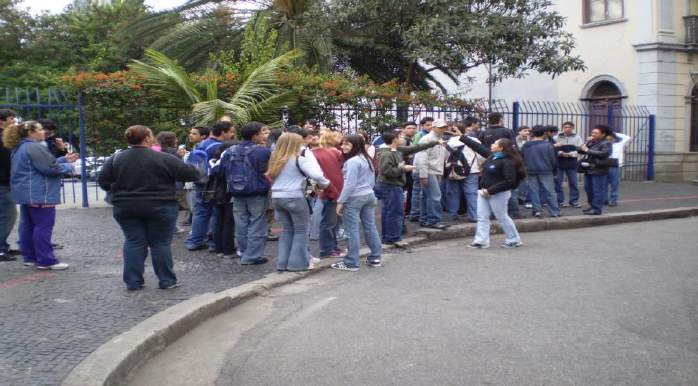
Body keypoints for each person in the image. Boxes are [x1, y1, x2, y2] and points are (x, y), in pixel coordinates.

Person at [98, 125, 201, 289]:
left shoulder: (117, 158)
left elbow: (103, 181)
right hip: (161, 206)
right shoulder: (163, 158)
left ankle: (133, 282)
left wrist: (118, 191)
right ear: (146, 138)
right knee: (160, 243)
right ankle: (167, 281)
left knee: (133, 241)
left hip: (126, 207)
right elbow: (193, 174)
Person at [4, 121, 79, 269]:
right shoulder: (34, 146)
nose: (43, 131)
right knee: (43, 226)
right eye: (39, 129)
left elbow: (39, 165)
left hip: (27, 192)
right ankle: (46, 260)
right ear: (30, 133)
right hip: (40, 193)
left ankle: (30, 257)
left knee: (28, 226)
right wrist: (69, 165)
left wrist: (63, 160)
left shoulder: (20, 146)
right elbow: (50, 169)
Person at [267, 133, 330, 271]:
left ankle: (282, 263)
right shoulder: (299, 157)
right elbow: (317, 175)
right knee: (301, 230)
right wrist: (326, 183)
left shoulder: (275, 157)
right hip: (294, 195)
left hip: (277, 197)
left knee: (287, 230)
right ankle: (296, 264)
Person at [376, 128, 440, 247]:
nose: (402, 138)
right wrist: (403, 169)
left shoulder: (396, 150)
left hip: (393, 185)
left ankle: (389, 237)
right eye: (400, 136)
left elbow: (415, 148)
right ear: (395, 139)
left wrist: (435, 142)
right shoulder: (387, 153)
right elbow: (386, 171)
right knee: (394, 212)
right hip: (390, 186)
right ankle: (393, 237)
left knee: (390, 212)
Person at [460, 136, 525, 249]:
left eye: (495, 143)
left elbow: (510, 181)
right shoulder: (493, 156)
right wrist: (462, 137)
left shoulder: (508, 161)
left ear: (501, 148)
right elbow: (478, 147)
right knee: (482, 217)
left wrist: (490, 191)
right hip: (484, 192)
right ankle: (481, 241)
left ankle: (514, 240)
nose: (492, 145)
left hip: (498, 193)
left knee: (502, 216)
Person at [220, 122, 271, 265]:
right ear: (255, 135)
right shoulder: (262, 152)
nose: (264, 135)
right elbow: (268, 170)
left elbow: (221, 169)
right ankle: (253, 255)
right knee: (257, 222)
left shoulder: (230, 150)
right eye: (262, 132)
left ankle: (244, 251)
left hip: (236, 191)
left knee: (240, 222)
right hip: (256, 191)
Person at [331, 135, 382, 272]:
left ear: (356, 145)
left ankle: (351, 262)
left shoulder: (353, 161)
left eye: (347, 144)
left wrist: (341, 201)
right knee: (370, 227)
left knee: (351, 230)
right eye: (343, 144)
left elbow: (349, 184)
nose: (343, 147)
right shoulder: (366, 158)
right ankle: (375, 257)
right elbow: (372, 180)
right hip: (368, 195)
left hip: (354, 197)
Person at [185, 121, 234, 251]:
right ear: (223, 132)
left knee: (200, 212)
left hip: (200, 181)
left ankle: (195, 241)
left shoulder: (201, 144)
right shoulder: (219, 147)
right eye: (231, 131)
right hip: (214, 184)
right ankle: (213, 242)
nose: (232, 134)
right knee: (214, 214)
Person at [312, 131, 345, 258]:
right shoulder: (331, 152)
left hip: (333, 190)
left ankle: (332, 248)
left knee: (332, 222)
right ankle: (328, 249)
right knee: (329, 222)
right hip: (330, 191)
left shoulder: (328, 152)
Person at [414, 118, 449, 229]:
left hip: (431, 171)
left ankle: (425, 219)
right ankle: (433, 220)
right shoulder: (428, 139)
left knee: (427, 196)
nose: (443, 129)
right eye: (440, 127)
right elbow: (422, 158)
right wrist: (423, 175)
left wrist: (439, 173)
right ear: (433, 127)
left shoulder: (438, 138)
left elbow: (439, 158)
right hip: (427, 171)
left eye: (444, 127)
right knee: (434, 196)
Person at [521, 125, 560, 218]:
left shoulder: (526, 145)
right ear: (544, 133)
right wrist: (555, 170)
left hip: (530, 170)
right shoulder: (548, 145)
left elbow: (522, 157)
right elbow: (553, 160)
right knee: (550, 191)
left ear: (533, 133)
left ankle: (536, 211)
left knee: (534, 191)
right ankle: (554, 211)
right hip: (546, 170)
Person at [207, 141, 237, 258]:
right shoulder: (226, 160)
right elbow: (221, 173)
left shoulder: (213, 161)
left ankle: (218, 247)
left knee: (218, 221)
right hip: (227, 194)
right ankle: (227, 250)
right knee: (228, 222)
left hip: (216, 194)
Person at [577, 125, 612, 215]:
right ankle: (591, 206)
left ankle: (597, 209)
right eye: (592, 132)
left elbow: (603, 154)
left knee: (597, 190)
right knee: (588, 189)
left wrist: (587, 150)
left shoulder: (606, 143)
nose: (593, 134)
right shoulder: (592, 142)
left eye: (596, 133)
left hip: (599, 169)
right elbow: (580, 151)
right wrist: (586, 143)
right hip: (589, 168)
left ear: (603, 134)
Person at [181, 126, 209, 226]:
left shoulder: (202, 148)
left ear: (203, 136)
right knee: (195, 209)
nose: (190, 135)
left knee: (198, 210)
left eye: (194, 133)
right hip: (193, 183)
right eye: (190, 133)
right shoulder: (196, 147)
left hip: (198, 183)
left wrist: (186, 156)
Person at [0, 109, 19, 261]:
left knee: (7, 215)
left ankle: (3, 246)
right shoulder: (2, 138)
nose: (14, 122)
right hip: (2, 182)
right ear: (1, 122)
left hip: (5, 181)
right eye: (11, 119)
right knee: (8, 215)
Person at [408, 117, 434, 222]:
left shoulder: (429, 135)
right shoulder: (421, 135)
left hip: (423, 166)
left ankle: (417, 213)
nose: (430, 127)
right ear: (422, 126)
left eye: (431, 124)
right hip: (419, 166)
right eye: (427, 125)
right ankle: (415, 213)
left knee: (420, 191)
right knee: (418, 191)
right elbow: (414, 150)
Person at [554, 121, 583, 208]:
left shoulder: (577, 137)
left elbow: (580, 148)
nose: (567, 129)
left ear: (572, 128)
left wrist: (571, 154)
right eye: (565, 127)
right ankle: (560, 201)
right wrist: (560, 153)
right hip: (559, 162)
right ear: (563, 128)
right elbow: (553, 148)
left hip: (572, 162)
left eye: (569, 127)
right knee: (558, 183)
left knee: (573, 183)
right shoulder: (556, 137)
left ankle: (574, 201)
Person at [606, 129, 631, 206]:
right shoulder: (604, 144)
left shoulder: (620, 143)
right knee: (603, 183)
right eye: (608, 137)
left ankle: (613, 200)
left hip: (615, 165)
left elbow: (627, 137)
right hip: (604, 164)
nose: (610, 139)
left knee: (614, 183)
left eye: (611, 137)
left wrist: (612, 132)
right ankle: (604, 199)